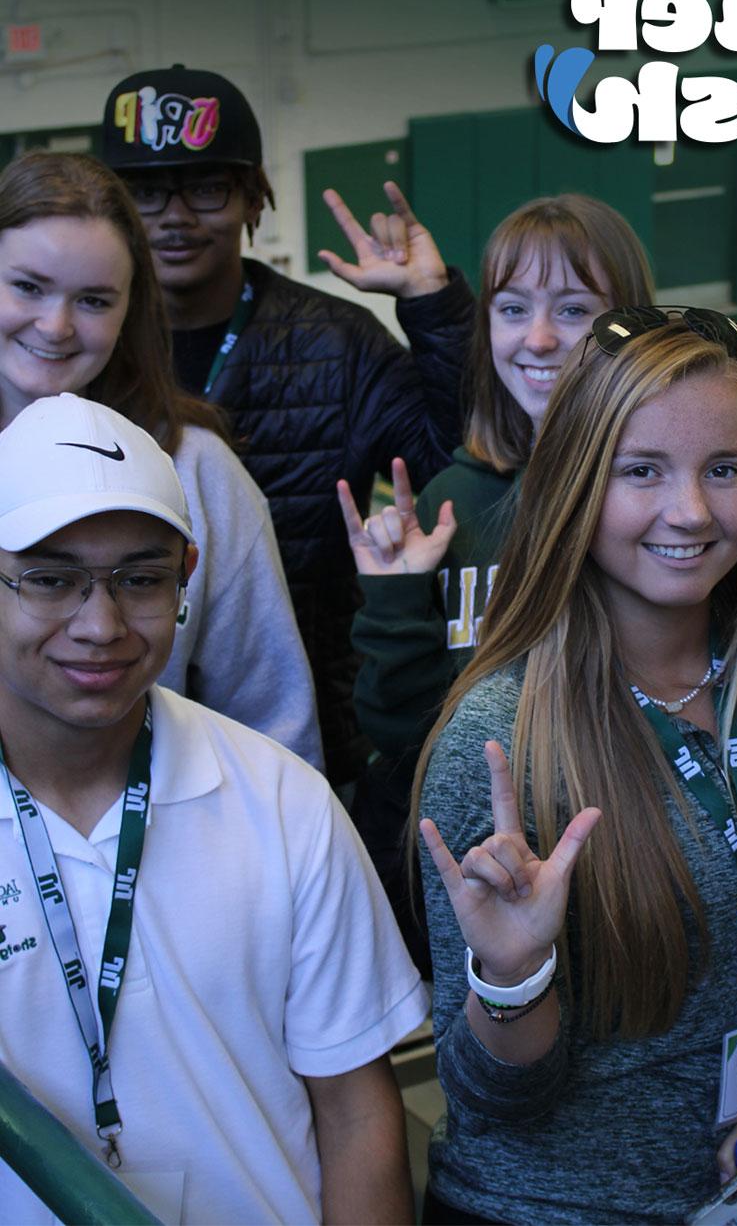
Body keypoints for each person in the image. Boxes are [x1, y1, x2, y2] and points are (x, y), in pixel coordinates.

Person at [414, 318, 737, 1224]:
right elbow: (490, 1100)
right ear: (576, 483)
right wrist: (514, 977)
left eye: (724, 469)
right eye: (641, 469)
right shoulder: (497, 741)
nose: (691, 511)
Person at [0, 394, 427, 1224]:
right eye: (51, 579)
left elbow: (354, 1112)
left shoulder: (279, 802)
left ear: (188, 574)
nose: (102, 624)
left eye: (141, 578)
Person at [334, 194, 737, 929]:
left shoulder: (727, 519)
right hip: (506, 901)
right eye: (512, 307)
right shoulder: (453, 502)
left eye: (573, 309)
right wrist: (395, 601)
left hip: (687, 888)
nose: (538, 338)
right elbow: (407, 739)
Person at [100, 64, 470, 787]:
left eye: (207, 187)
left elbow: (453, 464)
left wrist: (433, 308)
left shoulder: (339, 340)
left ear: (253, 197)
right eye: (145, 192)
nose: (176, 216)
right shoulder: (81, 349)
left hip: (314, 725)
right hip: (115, 719)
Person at [0, 151, 320, 768]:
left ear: (130, 309)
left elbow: (274, 721)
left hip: (162, 840)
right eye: (28, 287)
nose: (57, 325)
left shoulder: (194, 466)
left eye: (94, 300)